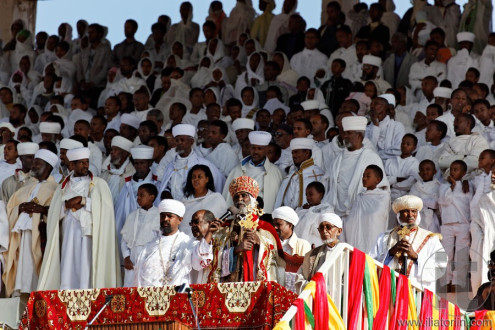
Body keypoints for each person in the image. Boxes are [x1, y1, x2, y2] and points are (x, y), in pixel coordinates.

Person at [38, 147, 121, 290]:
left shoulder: (99, 183)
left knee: (88, 268)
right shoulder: (62, 187)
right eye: (81, 163)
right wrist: (66, 205)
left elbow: (105, 209)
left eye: (86, 162)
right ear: (72, 165)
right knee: (68, 267)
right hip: (69, 233)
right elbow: (53, 213)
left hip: (89, 234)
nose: (86, 165)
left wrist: (83, 200)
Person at [2, 149, 59, 298]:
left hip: (39, 237)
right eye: (33, 162)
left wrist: (43, 210)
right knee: (20, 277)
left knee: (35, 278)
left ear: (48, 167)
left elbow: (59, 211)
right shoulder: (26, 188)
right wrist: (20, 208)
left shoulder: (56, 189)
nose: (33, 166)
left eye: (37, 164)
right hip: (20, 238)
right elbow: (9, 208)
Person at [209, 176, 285, 283]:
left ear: (252, 199)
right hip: (230, 283)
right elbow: (214, 258)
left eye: (244, 196)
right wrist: (235, 250)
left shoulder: (264, 227)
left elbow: (276, 258)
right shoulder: (225, 227)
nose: (239, 199)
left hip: (255, 281)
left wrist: (259, 241)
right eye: (236, 197)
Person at [370, 195, 447, 292]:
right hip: (390, 291)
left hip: (417, 292)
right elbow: (371, 262)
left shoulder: (430, 238)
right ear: (399, 215)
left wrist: (415, 256)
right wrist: (390, 253)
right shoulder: (384, 237)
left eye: (413, 211)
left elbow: (441, 265)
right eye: (406, 211)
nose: (410, 215)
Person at [325, 116, 387, 217]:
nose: (345, 136)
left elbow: (381, 188)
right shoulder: (337, 160)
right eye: (344, 133)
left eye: (349, 133)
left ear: (359, 135)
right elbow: (329, 185)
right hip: (336, 213)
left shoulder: (371, 158)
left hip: (361, 213)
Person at [133, 199, 195, 286]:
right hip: (150, 296)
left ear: (180, 220)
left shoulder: (187, 243)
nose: (165, 219)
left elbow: (199, 260)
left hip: (177, 295)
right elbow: (138, 275)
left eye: (169, 216)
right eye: (162, 216)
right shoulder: (149, 246)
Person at [158, 124, 224, 201]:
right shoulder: (171, 165)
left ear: (191, 141)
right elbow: (167, 186)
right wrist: (166, 192)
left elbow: (219, 186)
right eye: (177, 140)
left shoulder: (204, 164)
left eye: (182, 140)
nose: (179, 143)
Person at [223, 131, 283, 213]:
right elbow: (228, 198)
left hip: (264, 218)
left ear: (266, 150)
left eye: (259, 149)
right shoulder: (237, 170)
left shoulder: (275, 172)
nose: (255, 152)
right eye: (253, 148)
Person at [114, 146, 155, 258]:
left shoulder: (156, 184)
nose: (139, 167)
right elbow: (119, 213)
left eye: (143, 163)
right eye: (136, 163)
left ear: (150, 163)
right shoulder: (127, 185)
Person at [438, 160, 472, 291]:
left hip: (463, 224)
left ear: (463, 173)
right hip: (447, 224)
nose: (453, 171)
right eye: (451, 169)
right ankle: (446, 281)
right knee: (445, 254)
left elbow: (470, 204)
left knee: (461, 254)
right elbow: (443, 201)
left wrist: (465, 182)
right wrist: (451, 186)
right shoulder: (443, 186)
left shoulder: (468, 185)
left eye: (456, 169)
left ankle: (458, 282)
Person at [120, 184, 160, 287]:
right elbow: (124, 240)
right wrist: (126, 257)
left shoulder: (158, 216)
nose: (138, 198)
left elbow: (161, 241)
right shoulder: (132, 215)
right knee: (130, 291)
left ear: (152, 197)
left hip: (150, 260)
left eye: (142, 195)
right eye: (137, 195)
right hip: (132, 260)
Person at [344, 165, 390, 253]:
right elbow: (353, 216)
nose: (364, 178)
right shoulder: (360, 196)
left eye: (368, 176)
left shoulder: (383, 196)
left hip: (371, 232)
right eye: (363, 176)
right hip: (356, 233)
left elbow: (377, 214)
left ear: (378, 179)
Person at [294, 212, 343, 294]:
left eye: (328, 227)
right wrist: (315, 290)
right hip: (314, 299)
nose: (324, 231)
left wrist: (327, 292)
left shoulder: (347, 252)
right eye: (321, 228)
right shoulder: (312, 254)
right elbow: (300, 278)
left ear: (339, 231)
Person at [275, 137, 325, 209]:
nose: (293, 156)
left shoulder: (318, 174)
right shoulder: (291, 174)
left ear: (307, 153)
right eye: (292, 152)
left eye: (296, 152)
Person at [181, 164, 227, 237]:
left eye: (200, 177)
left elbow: (223, 224)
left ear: (207, 179)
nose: (196, 179)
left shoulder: (216, 198)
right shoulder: (184, 201)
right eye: (193, 177)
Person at [272, 206, 310, 291]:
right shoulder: (270, 243)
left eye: (279, 224)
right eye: (274, 224)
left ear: (290, 225)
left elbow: (305, 273)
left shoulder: (303, 245)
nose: (275, 228)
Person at [366, 95, 406, 160]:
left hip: (392, 165)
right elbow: (368, 149)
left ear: (386, 109)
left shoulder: (397, 126)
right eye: (371, 104)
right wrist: (376, 126)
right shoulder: (368, 128)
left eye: (376, 104)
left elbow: (398, 150)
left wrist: (376, 155)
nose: (372, 106)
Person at [384, 133, 419, 202]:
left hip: (404, 198)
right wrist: (397, 179)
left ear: (414, 147)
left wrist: (392, 184)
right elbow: (384, 178)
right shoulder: (390, 161)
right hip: (387, 196)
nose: (404, 145)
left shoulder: (415, 163)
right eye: (403, 143)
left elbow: (410, 183)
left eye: (408, 144)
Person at [101, 136, 136, 204]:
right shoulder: (105, 172)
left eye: (115, 150)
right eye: (112, 149)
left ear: (125, 153)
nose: (112, 152)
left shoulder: (132, 174)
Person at [410, 160, 441, 233]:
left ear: (435, 171)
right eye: (422, 170)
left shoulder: (438, 186)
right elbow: (411, 201)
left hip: (432, 219)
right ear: (419, 173)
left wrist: (419, 200)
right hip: (417, 217)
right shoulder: (416, 186)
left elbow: (435, 204)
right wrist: (426, 202)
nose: (425, 172)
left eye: (428, 169)